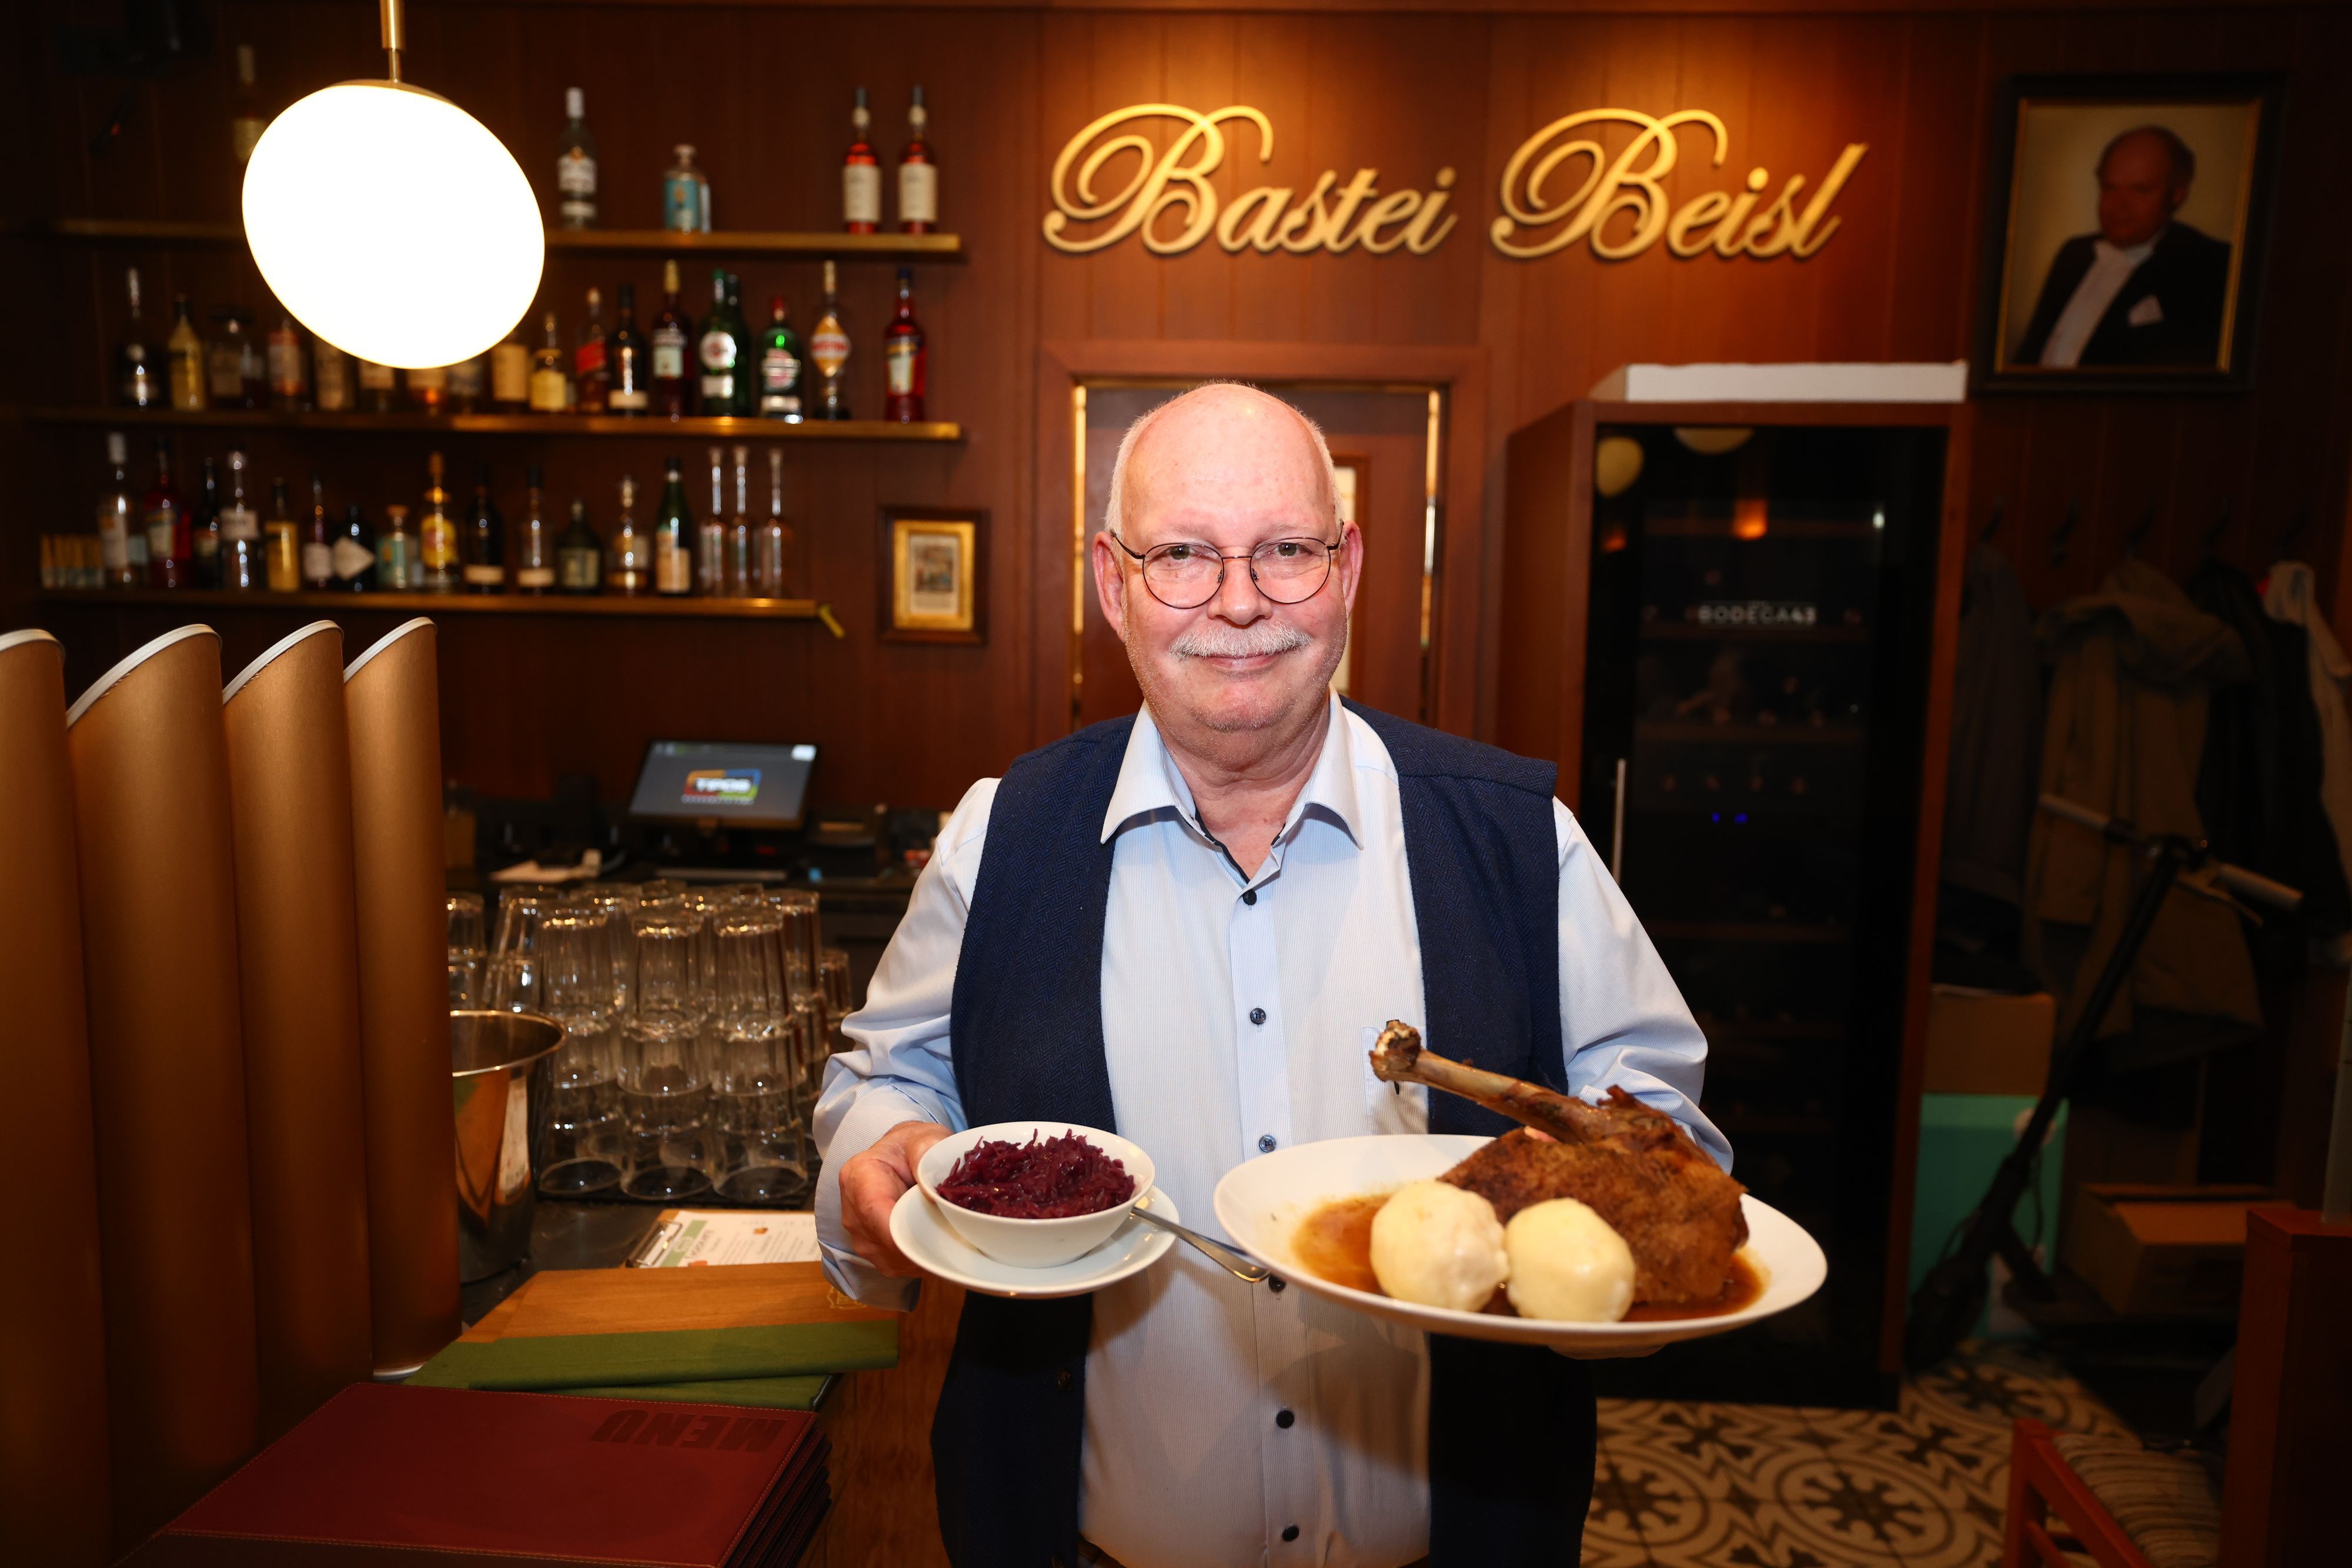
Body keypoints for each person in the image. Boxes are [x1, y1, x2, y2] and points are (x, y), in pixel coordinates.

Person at [816, 382, 1727, 1568]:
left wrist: (1615, 1250)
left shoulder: (1517, 838)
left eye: (1286, 550)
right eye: (1182, 554)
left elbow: (1661, 1131)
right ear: (1113, 584)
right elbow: (886, 1080)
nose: (1239, 601)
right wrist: (883, 1151)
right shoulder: (1001, 834)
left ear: (1348, 568)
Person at [2014, 124, 2232, 369]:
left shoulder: (2209, 263)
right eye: (2110, 188)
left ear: (2177, 194)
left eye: (2140, 190)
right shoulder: (2075, 253)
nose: (2119, 205)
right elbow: (2028, 356)